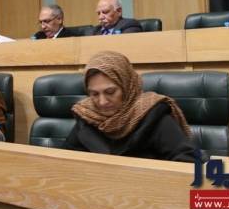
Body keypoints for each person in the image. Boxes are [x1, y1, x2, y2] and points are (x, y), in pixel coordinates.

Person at [64, 51, 195, 162]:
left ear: (127, 86)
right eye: (94, 94)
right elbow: (65, 159)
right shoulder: (88, 114)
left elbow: (188, 161)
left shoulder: (152, 113)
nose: (102, 102)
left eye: (110, 92)